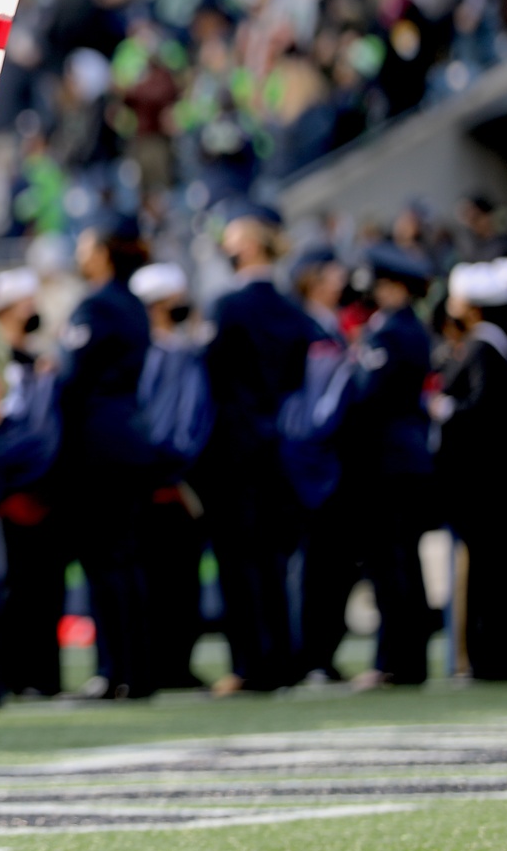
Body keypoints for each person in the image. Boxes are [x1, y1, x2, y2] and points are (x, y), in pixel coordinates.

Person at [300, 244, 436, 688]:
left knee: (390, 564)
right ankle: (403, 659)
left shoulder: (393, 333)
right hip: (400, 461)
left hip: (386, 465)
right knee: (397, 563)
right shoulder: (403, 330)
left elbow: (365, 399)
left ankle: (397, 661)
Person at [199, 206, 313, 695]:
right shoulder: (292, 310)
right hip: (279, 449)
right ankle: (282, 657)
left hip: (235, 451)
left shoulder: (231, 307)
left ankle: (251, 662)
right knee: (273, 557)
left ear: (249, 244)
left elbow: (213, 380)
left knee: (241, 559)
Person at [49, 216, 156, 699]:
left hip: (96, 445)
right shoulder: (133, 304)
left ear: (105, 251)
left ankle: (116, 668)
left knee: (105, 560)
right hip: (128, 438)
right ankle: (135, 665)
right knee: (127, 559)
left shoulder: (96, 305)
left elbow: (72, 380)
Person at [434, 261, 507, 680]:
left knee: (480, 572)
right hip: (494, 483)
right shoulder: (497, 345)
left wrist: (445, 410)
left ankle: (480, 657)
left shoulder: (480, 348)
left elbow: (479, 414)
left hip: (480, 484)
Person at [0, 269, 62, 700]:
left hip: (33, 493)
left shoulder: (38, 365)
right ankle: (1, 676)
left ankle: (38, 675)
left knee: (40, 588)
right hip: (1, 491)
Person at [127, 261, 209, 691]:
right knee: (167, 581)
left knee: (174, 580)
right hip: (164, 482)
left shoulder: (174, 352)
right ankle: (167, 661)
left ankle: (170, 661)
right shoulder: (165, 353)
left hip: (168, 482)